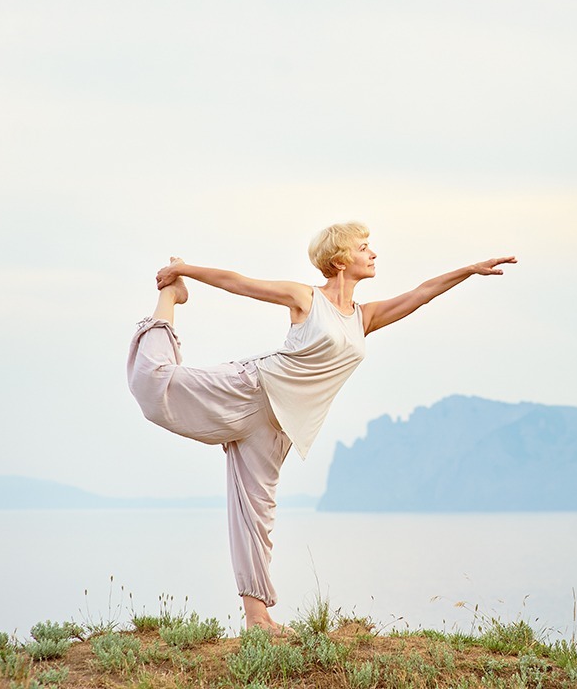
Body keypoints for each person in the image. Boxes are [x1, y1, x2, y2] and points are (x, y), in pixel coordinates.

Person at [127, 221, 516, 636]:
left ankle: (258, 621)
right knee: (153, 383)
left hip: (279, 426)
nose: (374, 253)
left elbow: (420, 294)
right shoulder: (306, 299)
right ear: (340, 259)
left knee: (255, 517)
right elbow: (240, 283)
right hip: (253, 389)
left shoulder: (365, 317)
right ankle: (169, 299)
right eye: (365, 247)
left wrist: (469, 270)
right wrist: (183, 272)